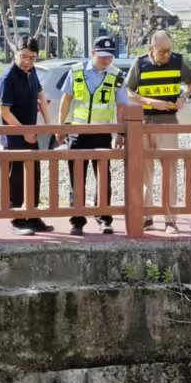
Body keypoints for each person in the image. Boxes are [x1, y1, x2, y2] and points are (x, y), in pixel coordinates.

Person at [126, 29, 191, 231]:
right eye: (162, 51)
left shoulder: (177, 61)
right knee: (145, 173)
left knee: (170, 172)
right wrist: (149, 101)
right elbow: (128, 91)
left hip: (168, 122)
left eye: (169, 50)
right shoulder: (139, 63)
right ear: (152, 48)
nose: (167, 55)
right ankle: (147, 218)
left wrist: (184, 97)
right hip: (144, 122)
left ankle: (170, 220)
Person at [57, 35, 128, 234]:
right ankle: (77, 221)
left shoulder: (117, 75)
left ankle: (104, 218)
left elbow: (121, 106)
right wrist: (61, 126)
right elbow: (66, 99)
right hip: (78, 133)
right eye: (102, 56)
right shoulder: (76, 71)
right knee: (77, 179)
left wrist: (120, 133)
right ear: (93, 53)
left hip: (102, 133)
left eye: (110, 56)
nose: (106, 60)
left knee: (103, 178)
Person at [0, 36, 53, 235]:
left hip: (32, 133)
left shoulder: (32, 71)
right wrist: (24, 131)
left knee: (34, 175)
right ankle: (17, 219)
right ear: (16, 53)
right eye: (23, 56)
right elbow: (5, 112)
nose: (27, 61)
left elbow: (40, 95)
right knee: (17, 179)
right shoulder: (8, 77)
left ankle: (33, 215)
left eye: (32, 57)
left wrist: (48, 124)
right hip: (14, 136)